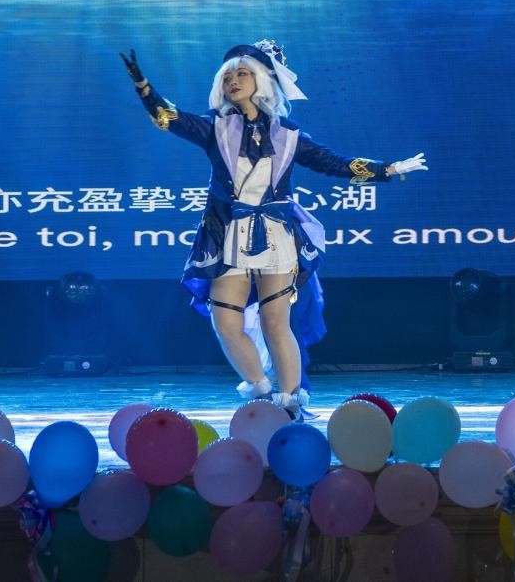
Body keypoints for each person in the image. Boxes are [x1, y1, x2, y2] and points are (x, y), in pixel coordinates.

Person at [120, 40, 427, 417]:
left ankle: (292, 403)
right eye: (228, 76)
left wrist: (387, 170)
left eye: (242, 73)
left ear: (262, 81)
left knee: (275, 322)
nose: (233, 80)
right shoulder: (215, 127)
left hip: (275, 235)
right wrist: (144, 87)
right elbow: (170, 118)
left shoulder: (289, 134)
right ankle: (263, 393)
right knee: (225, 321)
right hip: (227, 235)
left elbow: (335, 163)